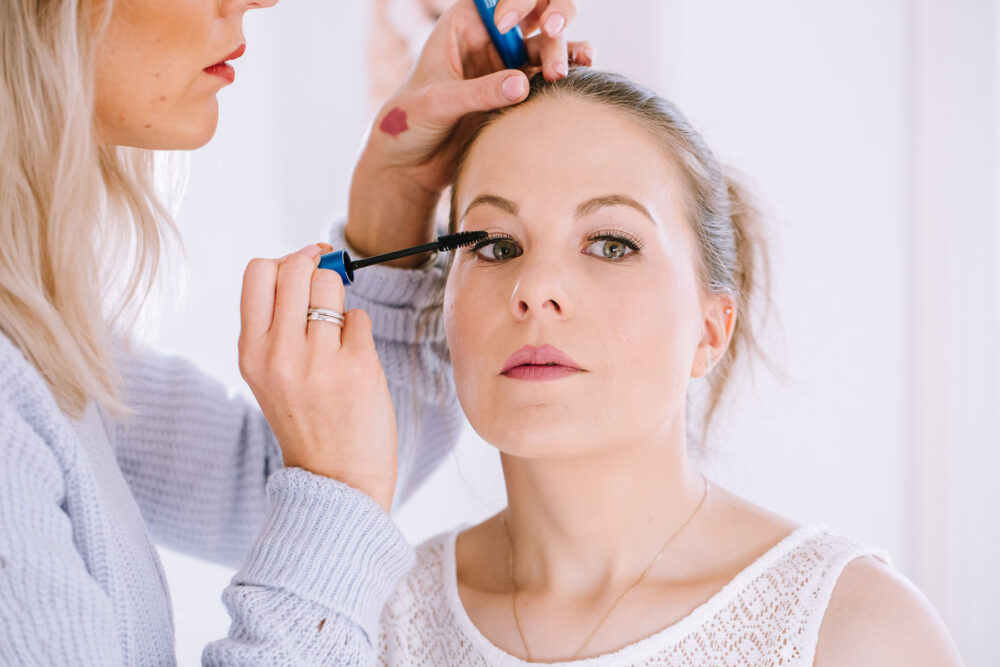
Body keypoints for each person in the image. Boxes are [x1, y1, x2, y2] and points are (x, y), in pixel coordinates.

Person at [0, 0, 589, 664]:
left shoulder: (25, 330)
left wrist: (398, 188)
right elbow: (317, 490)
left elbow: (262, 484)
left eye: (612, 245)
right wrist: (338, 490)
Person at [351, 69, 963, 665]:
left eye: (612, 244)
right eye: (496, 245)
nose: (535, 288)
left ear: (710, 329)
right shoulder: (369, 620)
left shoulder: (857, 632)